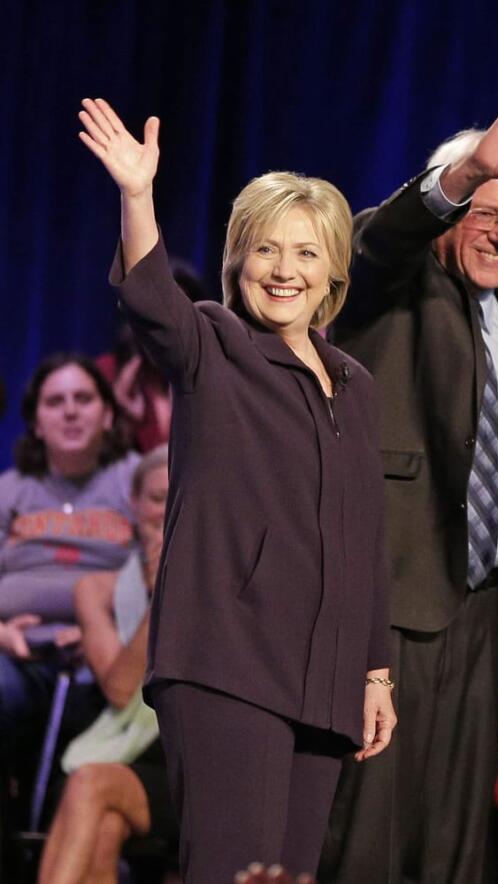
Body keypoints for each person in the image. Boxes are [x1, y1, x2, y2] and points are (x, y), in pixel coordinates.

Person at [78, 97, 394, 881]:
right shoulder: (213, 343)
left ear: (333, 274)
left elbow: (368, 541)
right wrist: (136, 195)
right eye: (265, 250)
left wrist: (375, 671)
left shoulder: (358, 387)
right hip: (228, 663)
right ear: (237, 259)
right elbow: (153, 300)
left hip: (324, 678)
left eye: (306, 253)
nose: (284, 270)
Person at [318, 93, 498, 884]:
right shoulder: (389, 292)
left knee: (452, 856)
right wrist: (468, 170)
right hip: (389, 615)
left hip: (486, 625)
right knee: (365, 844)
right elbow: (375, 243)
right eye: (482, 211)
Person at [37, 446, 174, 884]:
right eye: (156, 498)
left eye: (179, 496)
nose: (167, 510)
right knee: (103, 823)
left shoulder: (226, 586)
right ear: (134, 505)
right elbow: (119, 689)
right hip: (119, 750)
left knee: (93, 788)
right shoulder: (96, 589)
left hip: (185, 763)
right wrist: (160, 598)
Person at [0, 354, 137, 746]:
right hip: (14, 654)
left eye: (83, 398)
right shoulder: (8, 491)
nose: (71, 412)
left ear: (108, 415)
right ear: (36, 424)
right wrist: (4, 636)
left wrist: (99, 631)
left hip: (112, 652)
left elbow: (161, 580)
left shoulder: (137, 482)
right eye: (55, 402)